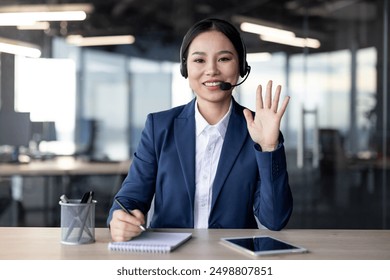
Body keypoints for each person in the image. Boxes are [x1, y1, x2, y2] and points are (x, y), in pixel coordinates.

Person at [107, 18, 293, 241]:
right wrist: (120, 219)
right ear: (186, 68)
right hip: (170, 257)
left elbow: (274, 220)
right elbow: (129, 199)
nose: (212, 70)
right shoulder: (159, 127)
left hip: (232, 259)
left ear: (241, 67)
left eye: (224, 59)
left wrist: (269, 147)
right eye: (199, 60)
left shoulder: (258, 130)